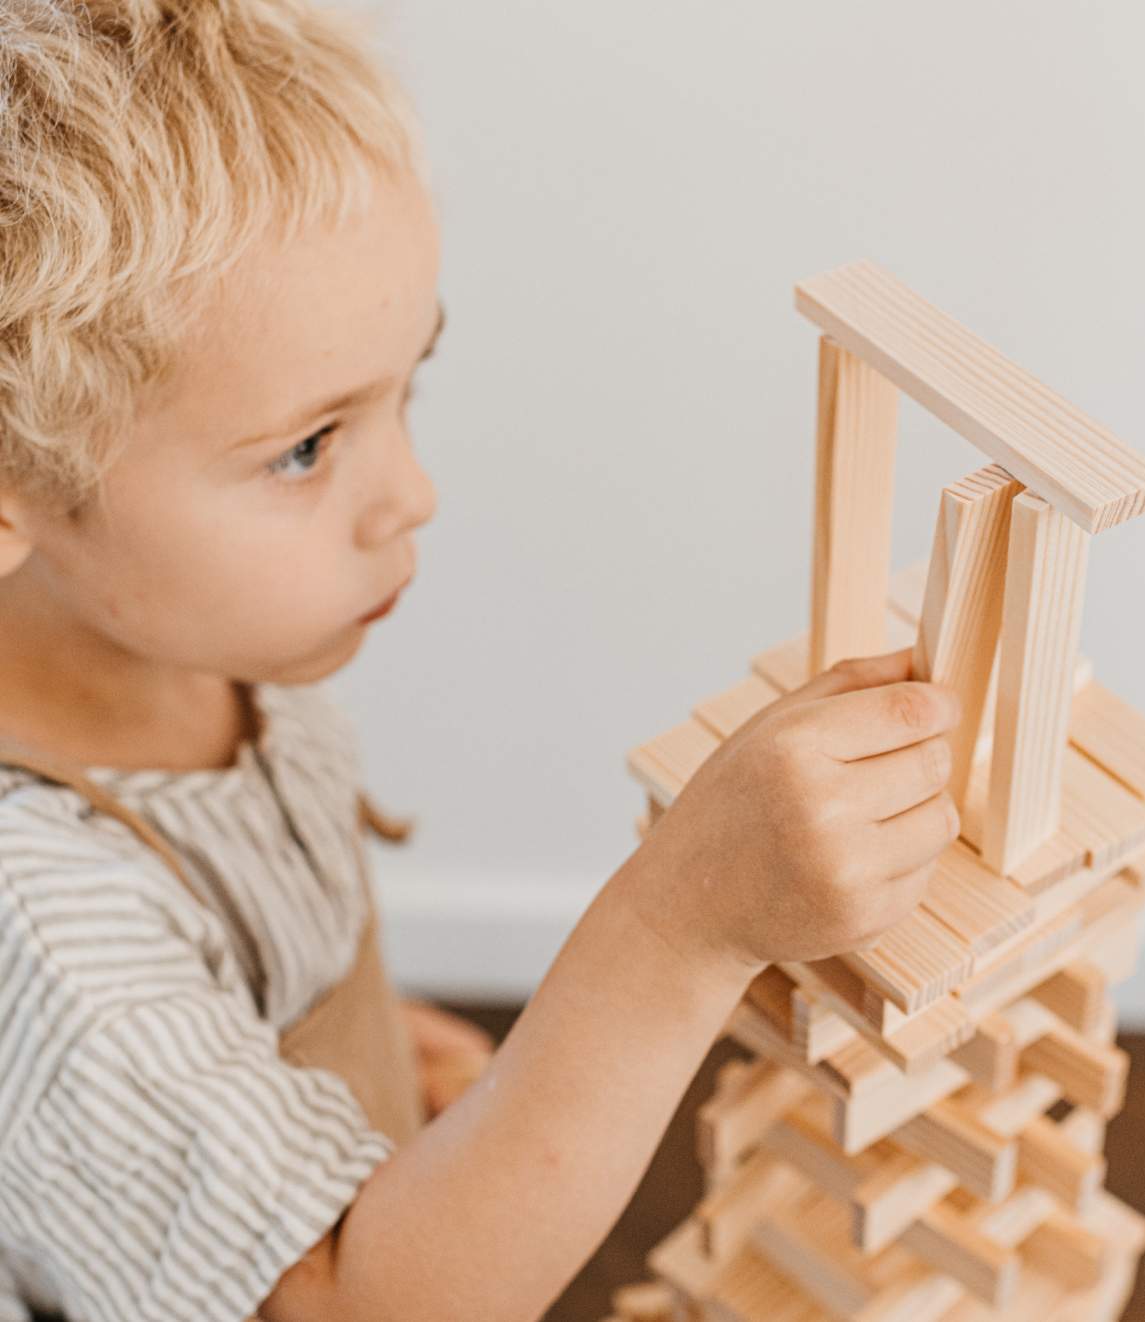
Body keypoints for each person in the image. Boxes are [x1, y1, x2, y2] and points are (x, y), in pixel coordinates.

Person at [0, 3, 961, 1319]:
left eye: (408, 388)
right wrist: (676, 929)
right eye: (306, 446)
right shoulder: (48, 932)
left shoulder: (220, 643)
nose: (412, 492)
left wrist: (356, 1047)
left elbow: (247, 945)